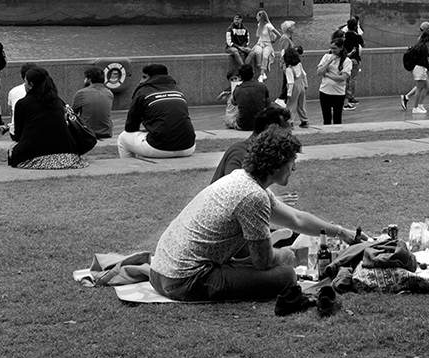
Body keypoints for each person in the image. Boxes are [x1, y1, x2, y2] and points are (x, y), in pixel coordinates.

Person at [149, 126, 358, 303]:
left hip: (160, 272)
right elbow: (263, 261)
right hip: (184, 280)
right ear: (277, 163)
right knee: (286, 276)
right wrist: (287, 256)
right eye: (292, 161)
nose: (294, 167)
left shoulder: (244, 179)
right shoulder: (253, 196)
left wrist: (340, 232)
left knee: (272, 265)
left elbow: (297, 219)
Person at [7, 64, 96, 168]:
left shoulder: (22, 104)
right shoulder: (58, 102)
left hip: (34, 154)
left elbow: (18, 134)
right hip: (67, 154)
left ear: (31, 84)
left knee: (13, 150)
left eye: (25, 82)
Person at [117, 61, 198, 160]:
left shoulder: (143, 91)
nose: (140, 81)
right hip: (188, 147)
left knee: (123, 138)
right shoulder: (178, 90)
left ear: (150, 77)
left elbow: (130, 127)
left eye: (144, 77)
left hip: (159, 148)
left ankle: (128, 166)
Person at [229, 60, 274, 134]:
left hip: (243, 125)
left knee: (229, 119)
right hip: (261, 124)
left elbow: (233, 103)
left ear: (240, 77)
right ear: (253, 73)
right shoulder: (262, 86)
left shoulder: (238, 89)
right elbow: (268, 105)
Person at [71, 66, 114, 140]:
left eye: (85, 78)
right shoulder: (109, 93)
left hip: (87, 132)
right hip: (106, 132)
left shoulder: (81, 93)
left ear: (89, 79)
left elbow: (73, 114)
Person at [315, 39, 353, 124]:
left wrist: (327, 75)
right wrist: (329, 61)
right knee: (326, 118)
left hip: (338, 93)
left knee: (337, 118)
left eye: (335, 48)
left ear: (341, 48)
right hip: (324, 91)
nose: (332, 50)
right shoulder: (326, 57)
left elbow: (342, 78)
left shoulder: (347, 61)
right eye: (331, 48)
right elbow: (319, 72)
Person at [400, 25, 429, 114]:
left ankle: (419, 105)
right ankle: (416, 107)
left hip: (417, 68)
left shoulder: (419, 45)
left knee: (426, 86)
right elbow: (424, 61)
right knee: (420, 88)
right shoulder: (424, 47)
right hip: (420, 69)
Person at [281, 25, 310, 127]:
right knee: (301, 104)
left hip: (294, 87)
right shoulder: (299, 64)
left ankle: (290, 122)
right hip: (301, 85)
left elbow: (290, 82)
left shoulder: (289, 69)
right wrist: (305, 85)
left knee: (291, 105)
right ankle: (304, 120)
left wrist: (289, 93)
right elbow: (304, 74)